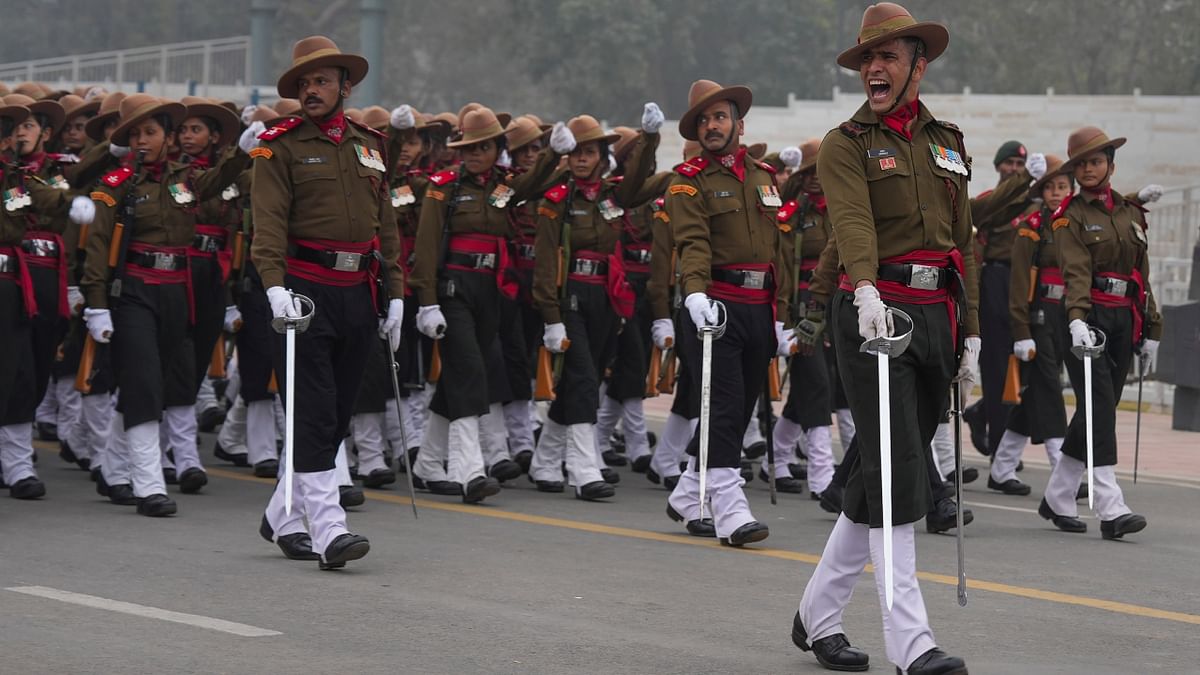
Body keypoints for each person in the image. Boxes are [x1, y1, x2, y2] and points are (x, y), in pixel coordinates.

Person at [792, 5, 975, 674]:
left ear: (917, 65)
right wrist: (864, 287)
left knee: (883, 467)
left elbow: (964, 242)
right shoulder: (845, 143)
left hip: (936, 314)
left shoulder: (948, 141)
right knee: (897, 472)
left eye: (889, 56)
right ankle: (912, 643)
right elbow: (853, 223)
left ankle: (817, 613)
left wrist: (972, 328)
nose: (874, 66)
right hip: (873, 314)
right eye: (867, 58)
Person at [249, 35, 402, 567]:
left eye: (321, 80)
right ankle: (329, 527)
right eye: (303, 83)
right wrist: (273, 287)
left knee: (336, 413)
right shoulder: (277, 145)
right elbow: (266, 224)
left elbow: (387, 225)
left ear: (345, 85)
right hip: (303, 290)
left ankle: (281, 514)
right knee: (312, 411)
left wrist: (398, 294)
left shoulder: (372, 144)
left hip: (358, 290)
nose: (311, 90)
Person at [81, 94, 248, 516]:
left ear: (168, 138)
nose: (142, 140)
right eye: (135, 133)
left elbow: (217, 184)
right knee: (144, 381)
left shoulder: (186, 179)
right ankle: (148, 483)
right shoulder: (115, 186)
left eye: (150, 132)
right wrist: (96, 304)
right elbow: (98, 248)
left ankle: (113, 471)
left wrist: (245, 149)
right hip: (134, 290)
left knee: (148, 384)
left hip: (177, 290)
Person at [409, 105, 568, 503]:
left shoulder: (505, 185)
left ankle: (428, 463)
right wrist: (426, 302)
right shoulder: (444, 186)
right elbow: (426, 247)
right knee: (470, 370)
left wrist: (552, 154)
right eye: (468, 148)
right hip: (454, 289)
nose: (474, 154)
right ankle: (469, 469)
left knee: (458, 377)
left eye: (483, 147)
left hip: (490, 290)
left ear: (498, 147)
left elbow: (532, 186)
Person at [664, 79, 786, 546]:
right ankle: (730, 509)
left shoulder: (763, 175)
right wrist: (694, 294)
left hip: (759, 306)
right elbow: (692, 244)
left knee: (740, 406)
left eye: (720, 117)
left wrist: (782, 311)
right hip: (713, 308)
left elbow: (778, 249)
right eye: (704, 120)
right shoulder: (688, 179)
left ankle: (687, 491)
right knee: (725, 407)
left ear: (739, 123)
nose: (712, 126)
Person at [531, 109, 661, 500]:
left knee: (582, 380)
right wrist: (551, 317)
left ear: (604, 158)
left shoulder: (613, 195)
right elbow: (544, 261)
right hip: (571, 297)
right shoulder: (558, 199)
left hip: (606, 297)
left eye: (591, 152)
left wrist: (650, 138)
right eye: (577, 153)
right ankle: (584, 469)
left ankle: (544, 460)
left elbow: (640, 178)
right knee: (584, 379)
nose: (583, 159)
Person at [1039, 126, 1157, 541]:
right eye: (1082, 163)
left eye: (1096, 161)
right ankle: (1111, 505)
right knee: (1101, 407)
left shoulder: (1128, 212)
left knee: (1095, 410)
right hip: (1085, 318)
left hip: (1125, 318)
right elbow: (1074, 272)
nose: (1089, 169)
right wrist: (1075, 319)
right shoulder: (1068, 217)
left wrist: (1153, 330)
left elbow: (1141, 274)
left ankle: (1056, 497)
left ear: (1110, 164)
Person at [0, 98, 94, 499]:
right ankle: (15, 463)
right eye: (9, 129)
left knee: (27, 369)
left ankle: (16, 463)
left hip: (26, 283)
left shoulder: (30, 176)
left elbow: (51, 198)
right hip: (13, 281)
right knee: (12, 370)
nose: (14, 135)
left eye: (20, 128)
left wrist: (72, 202)